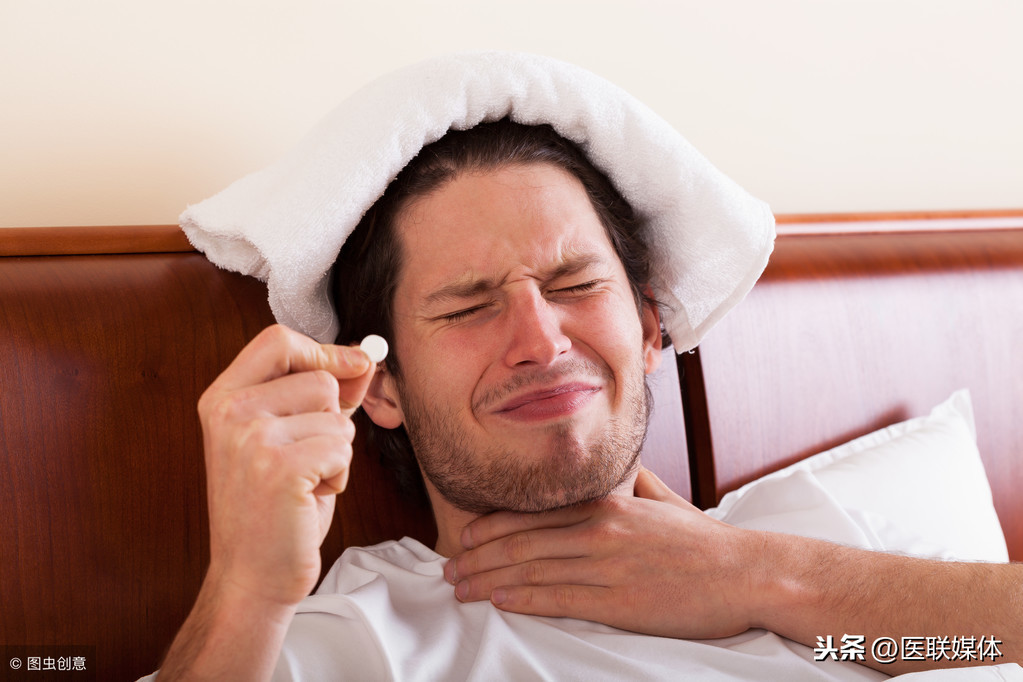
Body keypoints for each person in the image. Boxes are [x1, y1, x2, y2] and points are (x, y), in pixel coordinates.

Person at [149, 119, 1021, 681]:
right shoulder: (343, 646)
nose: (541, 340)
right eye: (467, 306)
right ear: (381, 387)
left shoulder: (826, 567)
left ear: (648, 329)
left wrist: (759, 576)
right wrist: (245, 592)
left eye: (573, 283)